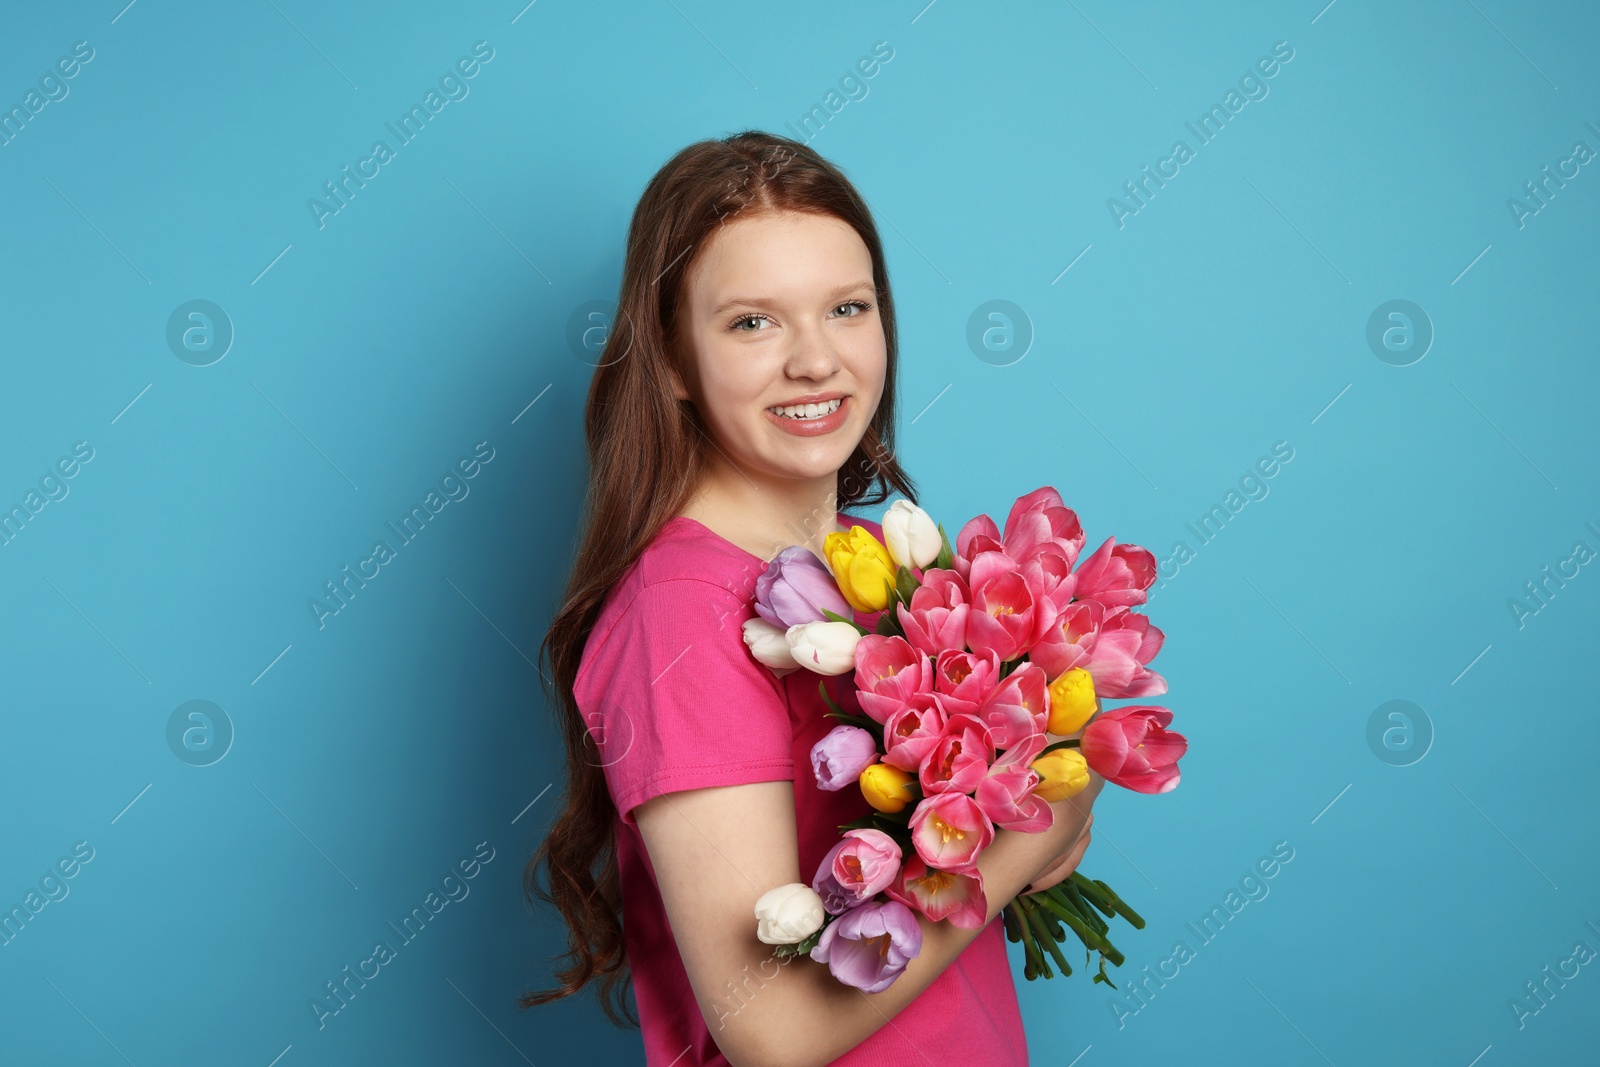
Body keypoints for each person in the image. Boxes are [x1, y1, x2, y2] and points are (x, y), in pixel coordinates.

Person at [520, 130, 1104, 1067]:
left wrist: (1037, 779)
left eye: (847, 307)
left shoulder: (878, 560)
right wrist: (1045, 830)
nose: (816, 361)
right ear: (670, 358)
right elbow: (772, 1028)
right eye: (754, 322)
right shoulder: (678, 616)